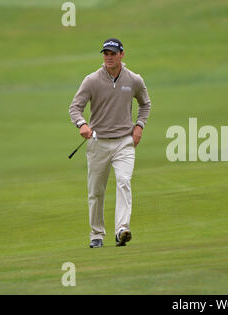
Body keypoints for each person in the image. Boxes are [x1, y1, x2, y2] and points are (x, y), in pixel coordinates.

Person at [69, 38, 152, 248]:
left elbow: (145, 104)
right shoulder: (92, 80)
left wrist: (139, 126)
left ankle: (121, 230)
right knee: (96, 191)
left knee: (124, 182)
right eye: (105, 53)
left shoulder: (134, 80)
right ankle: (96, 234)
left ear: (122, 54)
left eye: (112, 54)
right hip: (98, 142)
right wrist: (82, 124)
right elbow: (75, 107)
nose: (108, 57)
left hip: (124, 141)